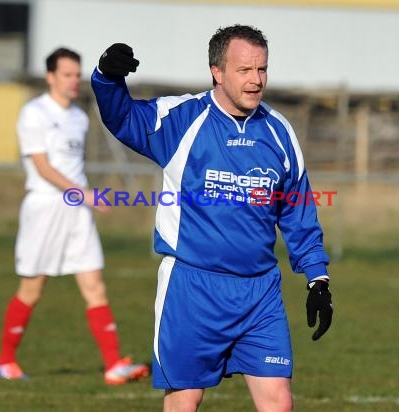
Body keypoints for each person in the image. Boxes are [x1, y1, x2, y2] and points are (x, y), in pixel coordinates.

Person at [92, 25, 333, 411]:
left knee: (279, 402)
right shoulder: (181, 119)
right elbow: (123, 118)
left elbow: (298, 212)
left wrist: (317, 278)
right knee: (185, 400)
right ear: (217, 72)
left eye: (262, 70)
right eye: (245, 70)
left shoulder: (280, 132)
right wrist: (108, 78)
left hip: (260, 293)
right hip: (192, 288)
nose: (256, 81)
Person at [0, 47, 149, 385]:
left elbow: (73, 170)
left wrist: (86, 195)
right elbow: (43, 167)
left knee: (94, 285)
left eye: (77, 74)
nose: (74, 80)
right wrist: (85, 194)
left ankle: (113, 365)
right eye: (67, 74)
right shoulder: (34, 113)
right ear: (51, 77)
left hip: (78, 209)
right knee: (32, 288)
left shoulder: (79, 116)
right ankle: (4, 362)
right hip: (46, 207)